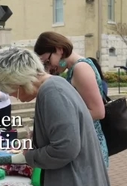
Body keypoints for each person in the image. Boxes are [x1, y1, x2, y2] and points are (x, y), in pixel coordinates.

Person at [0, 46, 113, 186]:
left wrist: (31, 155)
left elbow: (65, 148)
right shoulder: (55, 85)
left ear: (18, 80)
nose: (14, 96)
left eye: (12, 90)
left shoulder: (52, 91)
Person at [34, 32, 109, 168]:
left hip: (90, 144)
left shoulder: (80, 68)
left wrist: (63, 121)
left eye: (48, 62)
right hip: (85, 139)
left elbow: (98, 112)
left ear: (59, 50)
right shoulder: (74, 69)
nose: (49, 68)